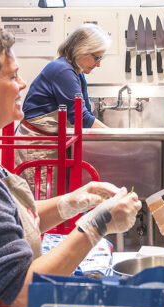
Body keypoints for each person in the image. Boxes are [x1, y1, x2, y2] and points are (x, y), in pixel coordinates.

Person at [0, 11, 141, 307]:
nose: (22, 85)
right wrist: (97, 224)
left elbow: (9, 224)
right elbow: (24, 291)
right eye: (13, 76)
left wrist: (72, 201)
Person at [15, 23, 109, 196]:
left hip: (48, 143)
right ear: (82, 51)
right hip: (37, 145)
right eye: (97, 58)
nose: (98, 65)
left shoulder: (76, 72)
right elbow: (82, 118)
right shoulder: (62, 70)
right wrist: (113, 135)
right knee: (39, 200)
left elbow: (85, 111)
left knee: (48, 197)